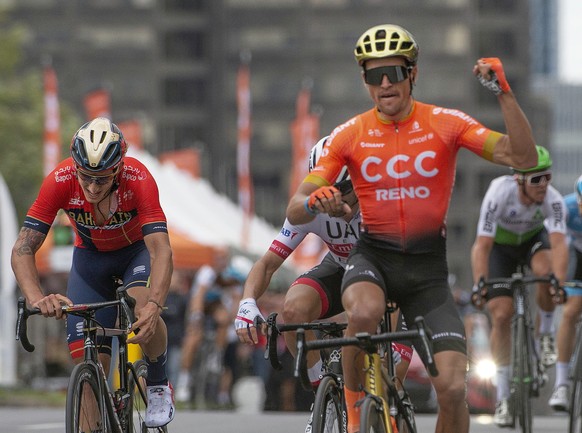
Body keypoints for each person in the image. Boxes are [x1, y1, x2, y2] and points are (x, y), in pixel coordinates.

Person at [284, 23, 540, 433]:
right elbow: (296, 206)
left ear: (413, 74)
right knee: (363, 313)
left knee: (454, 389)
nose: (385, 83)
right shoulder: (349, 134)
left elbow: (523, 158)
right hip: (374, 259)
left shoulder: (446, 123)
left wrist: (504, 93)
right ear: (365, 80)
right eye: (373, 74)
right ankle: (354, 417)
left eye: (395, 73)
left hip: (427, 275)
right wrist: (316, 199)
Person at [235, 136, 413, 431]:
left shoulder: (383, 203)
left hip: (390, 280)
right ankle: (325, 396)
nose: (331, 201)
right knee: (292, 311)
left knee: (385, 380)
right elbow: (267, 264)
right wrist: (247, 302)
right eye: (323, 191)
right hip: (340, 269)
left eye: (339, 192)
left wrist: (390, 338)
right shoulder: (310, 210)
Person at [11, 117, 175, 428]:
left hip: (134, 255)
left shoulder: (138, 178)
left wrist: (154, 305)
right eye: (85, 177)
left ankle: (158, 380)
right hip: (90, 261)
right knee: (87, 371)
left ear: (118, 169)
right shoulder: (59, 180)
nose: (91, 186)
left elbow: (161, 250)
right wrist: (36, 298)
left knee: (140, 304)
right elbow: (22, 249)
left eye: (101, 179)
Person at [470, 146, 568, 426]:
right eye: (536, 179)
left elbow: (560, 244)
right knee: (501, 314)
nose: (544, 185)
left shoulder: (553, 199)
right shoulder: (498, 193)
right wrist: (479, 283)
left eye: (547, 177)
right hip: (501, 248)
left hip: (532, 242)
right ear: (519, 179)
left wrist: (558, 284)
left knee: (546, 272)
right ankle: (502, 397)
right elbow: (482, 245)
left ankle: (546, 333)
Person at [175, 247, 241, 405]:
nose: (221, 262)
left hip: (214, 305)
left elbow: (237, 297)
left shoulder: (231, 274)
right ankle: (184, 380)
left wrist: (234, 317)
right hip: (200, 305)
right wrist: (196, 317)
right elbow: (199, 294)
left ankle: (215, 356)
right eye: (218, 258)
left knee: (224, 319)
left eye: (224, 258)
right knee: (193, 338)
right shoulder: (207, 271)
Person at [548, 174, 582, 411]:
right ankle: (561, 384)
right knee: (571, 311)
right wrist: (556, 281)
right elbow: (553, 245)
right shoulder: (565, 207)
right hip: (575, 257)